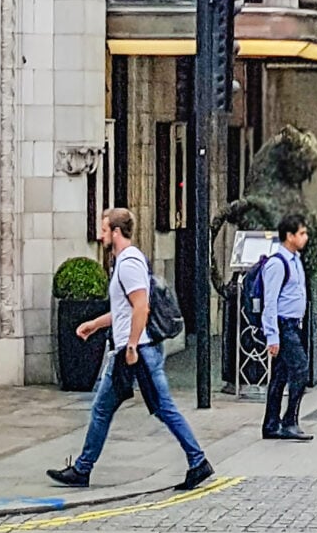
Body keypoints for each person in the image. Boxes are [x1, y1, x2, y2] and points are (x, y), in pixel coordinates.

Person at [48, 208, 212, 494]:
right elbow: (124, 311)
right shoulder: (122, 262)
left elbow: (141, 306)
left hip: (139, 351)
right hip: (127, 350)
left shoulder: (129, 263)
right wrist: (95, 324)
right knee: (101, 408)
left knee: (164, 408)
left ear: (115, 231)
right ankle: (82, 469)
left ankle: (198, 461)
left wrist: (134, 345)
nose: (99, 235)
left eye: (103, 229)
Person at [260, 216, 313, 442]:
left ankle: (271, 424)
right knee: (300, 369)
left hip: (294, 324)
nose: (305, 237)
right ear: (289, 236)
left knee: (280, 374)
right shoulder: (277, 263)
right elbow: (269, 302)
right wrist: (272, 335)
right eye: (301, 233)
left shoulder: (295, 260)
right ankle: (289, 420)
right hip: (284, 325)